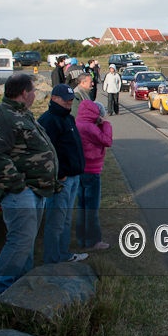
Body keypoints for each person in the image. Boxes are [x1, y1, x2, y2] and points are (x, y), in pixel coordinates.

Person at [0, 73, 60, 296]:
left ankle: (21, 290)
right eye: (33, 90)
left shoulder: (22, 114)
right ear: (24, 93)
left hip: (34, 189)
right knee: (20, 241)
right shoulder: (1, 117)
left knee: (27, 242)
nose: (35, 94)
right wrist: (19, 185)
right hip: (19, 191)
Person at [38, 84, 88, 264]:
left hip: (74, 176)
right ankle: (52, 259)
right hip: (62, 180)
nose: (68, 102)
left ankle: (64, 253)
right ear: (54, 98)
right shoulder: (49, 120)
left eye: (70, 99)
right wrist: (59, 174)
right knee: (56, 221)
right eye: (65, 99)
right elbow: (45, 153)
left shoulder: (68, 118)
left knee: (66, 219)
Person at [75, 100, 113, 250]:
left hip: (80, 169)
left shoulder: (78, 123)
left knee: (82, 205)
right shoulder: (90, 127)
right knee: (92, 207)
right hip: (91, 170)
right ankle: (93, 241)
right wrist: (106, 125)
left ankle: (82, 239)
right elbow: (107, 141)